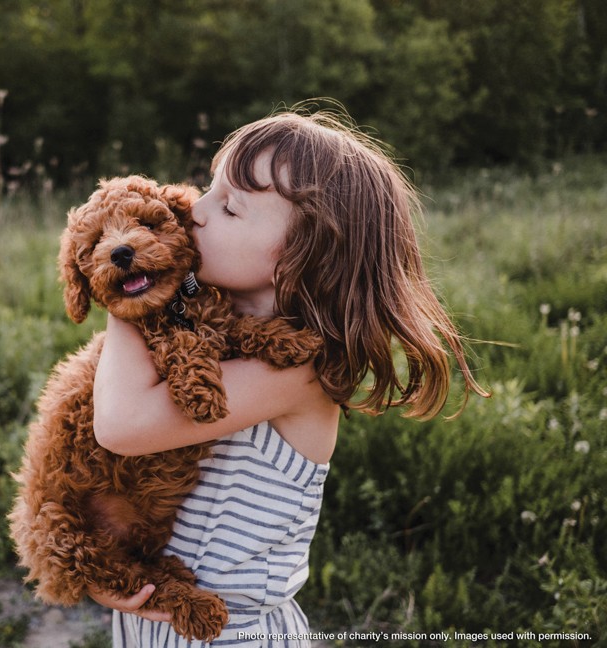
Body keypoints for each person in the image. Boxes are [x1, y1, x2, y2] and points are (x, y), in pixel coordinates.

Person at [89, 109, 488, 647]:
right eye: (209, 188)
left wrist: (125, 288)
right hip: (155, 623)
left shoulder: (295, 372)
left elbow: (121, 425)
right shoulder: (208, 334)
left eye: (228, 206)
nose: (193, 212)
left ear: (300, 257)